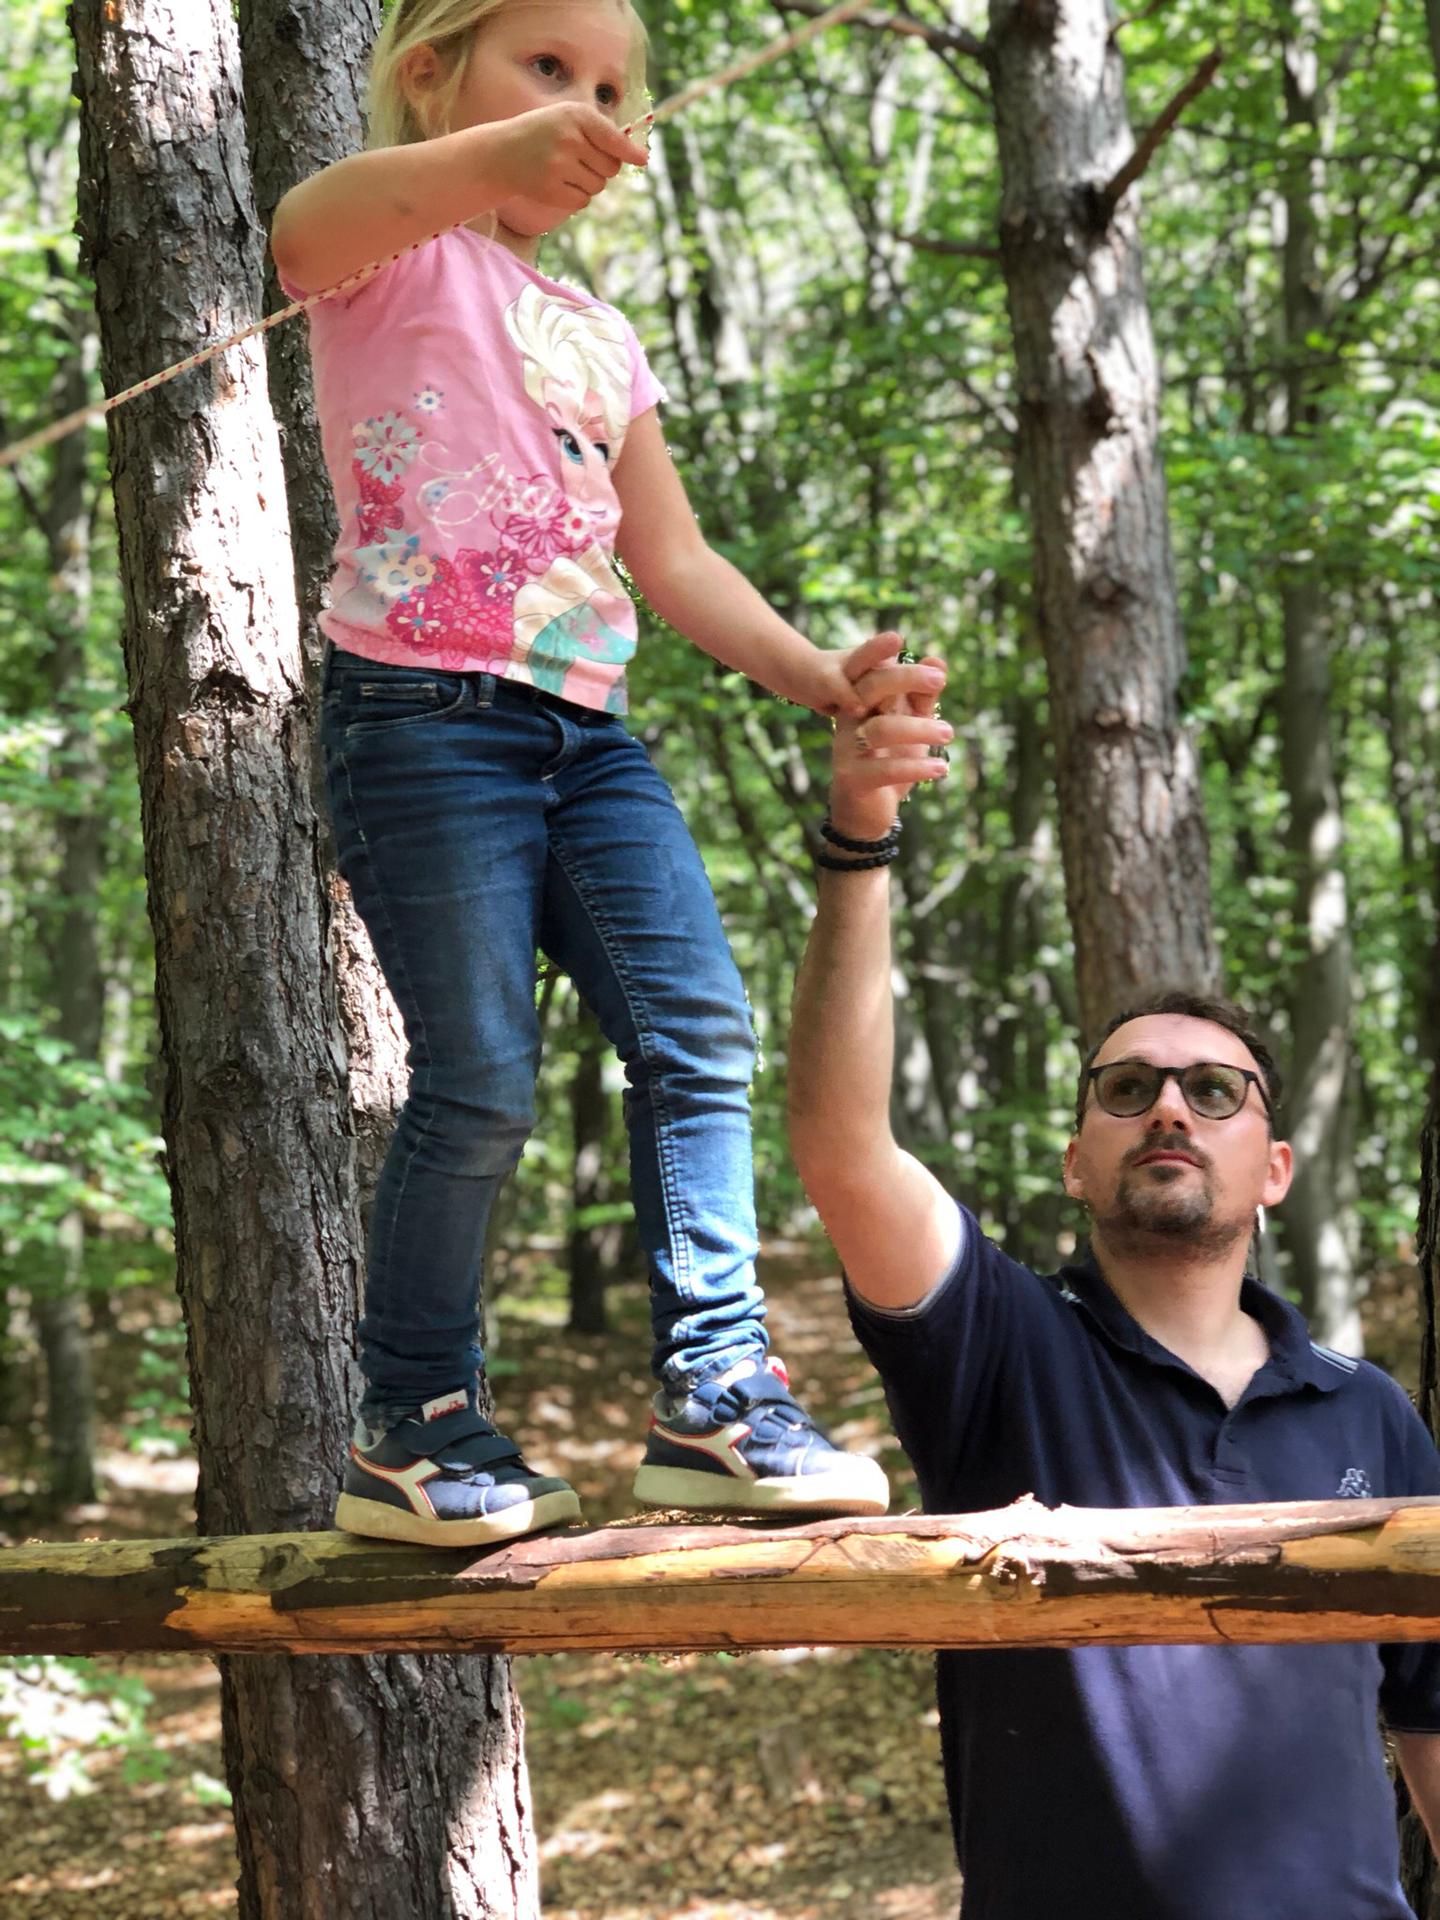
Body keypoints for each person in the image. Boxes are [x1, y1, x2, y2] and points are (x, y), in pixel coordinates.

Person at [269, 0, 942, 1546]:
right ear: (431, 71)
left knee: (698, 1030)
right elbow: (310, 224)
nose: (589, 109)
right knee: (481, 1078)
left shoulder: (601, 335)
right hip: (425, 714)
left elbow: (675, 558)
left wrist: (818, 675)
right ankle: (414, 1424)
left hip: (589, 731)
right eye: (549, 67)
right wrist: (501, 149)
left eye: (612, 89)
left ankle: (718, 1396)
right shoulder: (390, 250)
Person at [786, 676, 1440, 1919]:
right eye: (1128, 1090)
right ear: (1077, 1162)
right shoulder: (999, 1346)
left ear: (1275, 1170)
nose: (1171, 1108)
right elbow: (842, 1145)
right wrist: (861, 837)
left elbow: (1430, 1717)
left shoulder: (1372, 1416)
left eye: (1215, 1091)